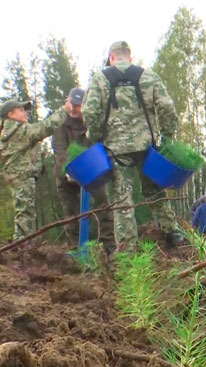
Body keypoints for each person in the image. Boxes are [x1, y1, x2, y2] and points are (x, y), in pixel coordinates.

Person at [83, 41, 181, 251]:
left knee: (122, 200)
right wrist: (166, 136)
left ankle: (129, 252)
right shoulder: (148, 76)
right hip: (147, 147)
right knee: (155, 191)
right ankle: (173, 233)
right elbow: (167, 107)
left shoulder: (100, 78)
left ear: (111, 57)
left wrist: (96, 136)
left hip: (116, 150)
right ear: (130, 57)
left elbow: (89, 113)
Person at [0, 99, 71, 239]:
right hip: (23, 175)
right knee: (25, 212)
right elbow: (46, 127)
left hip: (17, 175)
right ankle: (22, 243)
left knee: (24, 210)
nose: (25, 113)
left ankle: (24, 242)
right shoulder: (19, 130)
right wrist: (64, 110)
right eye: (21, 110)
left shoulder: (10, 131)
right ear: (11, 114)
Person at [52, 88, 114, 248]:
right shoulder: (59, 122)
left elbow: (99, 144)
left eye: (77, 105)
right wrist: (69, 168)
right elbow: (60, 150)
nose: (73, 108)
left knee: (103, 203)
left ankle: (108, 245)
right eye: (71, 104)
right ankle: (75, 250)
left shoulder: (91, 121)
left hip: (92, 171)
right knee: (71, 213)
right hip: (66, 175)